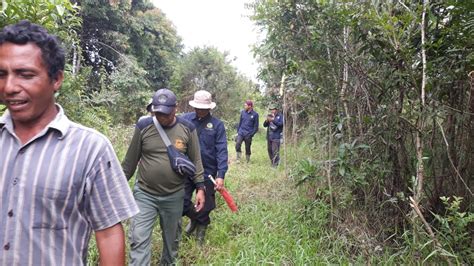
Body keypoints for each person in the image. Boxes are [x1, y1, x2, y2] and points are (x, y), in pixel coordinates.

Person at [0, 20, 139, 265]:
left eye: (26, 75)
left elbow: (108, 235)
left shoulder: (90, 149)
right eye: (2, 74)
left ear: (56, 79)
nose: (10, 87)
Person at [122, 88, 206, 265]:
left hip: (174, 195)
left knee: (172, 242)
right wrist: (117, 188)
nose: (161, 117)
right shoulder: (144, 126)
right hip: (145, 194)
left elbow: (196, 160)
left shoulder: (187, 129)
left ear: (175, 108)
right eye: (157, 113)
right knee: (138, 239)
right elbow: (130, 162)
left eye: (165, 113)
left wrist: (200, 187)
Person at [180, 90, 228, 245]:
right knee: (182, 200)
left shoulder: (217, 125)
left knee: (206, 204)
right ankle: (195, 219)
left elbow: (221, 150)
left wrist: (221, 174)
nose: (200, 110)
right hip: (186, 169)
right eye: (198, 107)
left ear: (209, 108)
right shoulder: (184, 120)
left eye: (203, 108)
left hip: (208, 172)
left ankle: (200, 232)